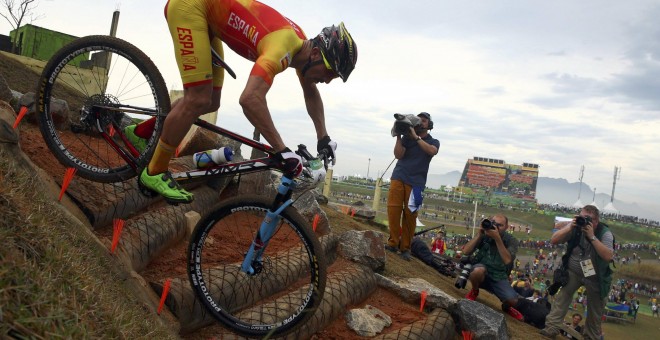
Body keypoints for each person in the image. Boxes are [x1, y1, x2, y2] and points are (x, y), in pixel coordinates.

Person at [125, 0, 357, 204]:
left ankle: (142, 132)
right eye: (330, 72)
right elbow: (249, 99)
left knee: (210, 101)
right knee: (197, 99)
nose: (328, 80)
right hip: (190, 7)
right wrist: (282, 150)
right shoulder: (281, 48)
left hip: (208, 17)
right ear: (316, 55)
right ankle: (154, 172)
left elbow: (310, 93)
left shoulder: (303, 47)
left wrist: (323, 137)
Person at [540, 205, 614, 339]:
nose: (584, 221)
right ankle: (551, 327)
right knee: (563, 296)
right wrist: (570, 226)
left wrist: (592, 236)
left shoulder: (605, 233)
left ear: (596, 221)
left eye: (588, 219)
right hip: (574, 270)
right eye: (581, 217)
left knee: (595, 309)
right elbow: (554, 240)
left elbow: (608, 256)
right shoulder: (575, 227)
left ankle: (590, 337)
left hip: (595, 276)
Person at [384, 112, 439, 261]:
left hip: (417, 184)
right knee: (393, 211)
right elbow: (398, 155)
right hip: (399, 177)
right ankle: (393, 242)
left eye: (424, 120)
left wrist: (416, 137)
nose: (421, 122)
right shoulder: (407, 138)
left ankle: (405, 248)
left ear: (429, 125)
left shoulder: (433, 141)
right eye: (419, 119)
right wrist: (399, 135)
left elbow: (431, 151)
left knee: (410, 216)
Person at [461, 213, 524, 320]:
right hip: (482, 271)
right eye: (494, 223)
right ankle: (474, 291)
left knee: (513, 300)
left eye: (500, 225)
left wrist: (497, 239)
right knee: (477, 271)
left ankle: (506, 307)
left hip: (499, 276)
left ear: (507, 227)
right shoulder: (485, 234)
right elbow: (466, 251)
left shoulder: (511, 240)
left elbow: (507, 260)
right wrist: (479, 234)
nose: (496, 227)